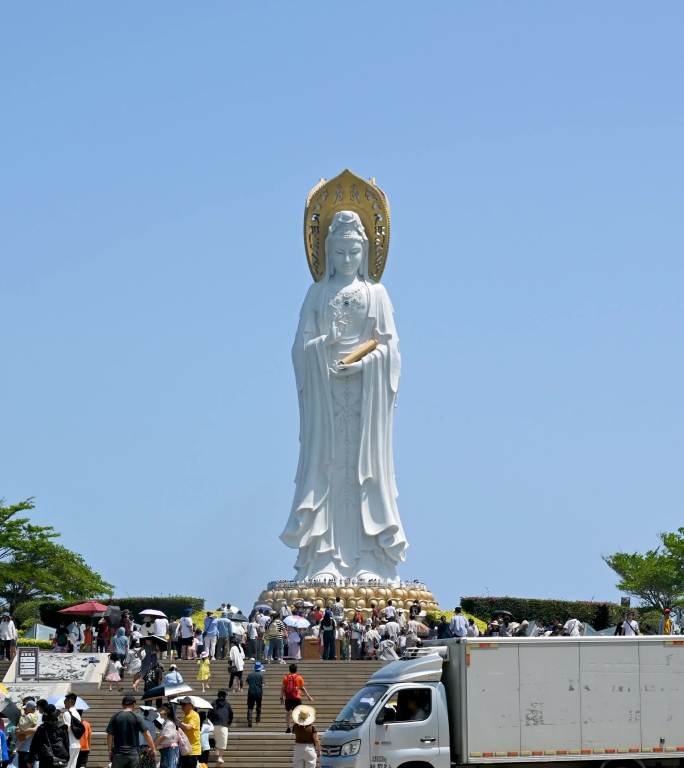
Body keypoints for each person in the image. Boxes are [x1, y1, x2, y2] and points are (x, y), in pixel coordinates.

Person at [106, 695, 156, 768]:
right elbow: (146, 734)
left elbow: (110, 735)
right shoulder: (137, 717)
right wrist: (153, 749)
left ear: (122, 704)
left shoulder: (115, 716)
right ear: (134, 704)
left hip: (118, 754)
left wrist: (110, 750)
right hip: (133, 754)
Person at [281, 663, 314, 734]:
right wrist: (309, 697)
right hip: (297, 697)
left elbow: (283, 688)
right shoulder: (299, 677)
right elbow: (302, 688)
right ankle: (295, 728)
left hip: (288, 697)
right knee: (297, 713)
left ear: (289, 670)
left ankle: (287, 728)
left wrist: (281, 697)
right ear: (296, 670)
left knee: (288, 713)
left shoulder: (286, 678)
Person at [209, 691, 233, 764]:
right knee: (222, 741)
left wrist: (210, 722)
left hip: (214, 725)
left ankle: (217, 754)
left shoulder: (213, 703)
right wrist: (229, 723)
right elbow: (231, 714)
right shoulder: (227, 704)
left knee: (216, 739)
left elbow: (209, 714)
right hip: (224, 725)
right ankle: (220, 757)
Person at [177, 697, 201, 768]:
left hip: (192, 750)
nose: (182, 706)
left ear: (190, 705)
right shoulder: (186, 716)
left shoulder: (194, 715)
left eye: (184, 704)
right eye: (181, 704)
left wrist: (178, 722)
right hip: (186, 749)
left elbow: (188, 727)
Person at [61, 692, 83, 768]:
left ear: (71, 701)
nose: (64, 702)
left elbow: (67, 728)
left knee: (67, 765)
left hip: (69, 744)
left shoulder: (67, 713)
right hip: (77, 744)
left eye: (65, 700)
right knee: (73, 765)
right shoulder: (77, 713)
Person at [16, 699, 39, 768]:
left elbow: (22, 726)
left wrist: (20, 731)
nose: (25, 709)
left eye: (26, 708)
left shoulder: (29, 716)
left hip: (26, 749)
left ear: (29, 708)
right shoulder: (37, 716)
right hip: (30, 748)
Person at [246, 662, 264, 728]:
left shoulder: (250, 674)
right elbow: (263, 684)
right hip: (259, 693)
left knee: (250, 707)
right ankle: (257, 719)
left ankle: (249, 720)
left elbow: (247, 683)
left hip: (251, 693)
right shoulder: (261, 675)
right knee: (258, 706)